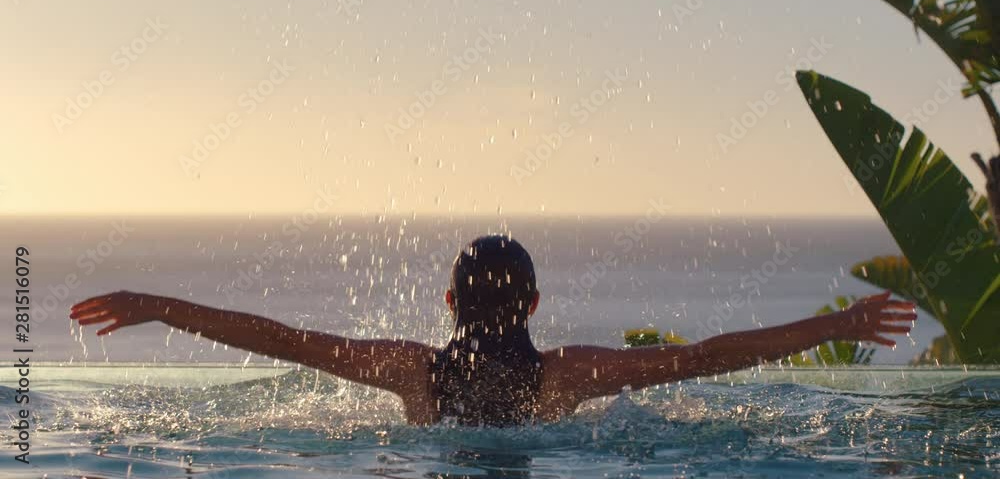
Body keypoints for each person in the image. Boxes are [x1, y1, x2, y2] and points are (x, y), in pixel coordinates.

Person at [69, 235, 916, 426]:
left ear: (447, 301)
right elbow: (710, 357)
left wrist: (158, 303)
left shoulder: (410, 372)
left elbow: (281, 339)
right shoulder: (568, 375)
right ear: (536, 306)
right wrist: (838, 321)